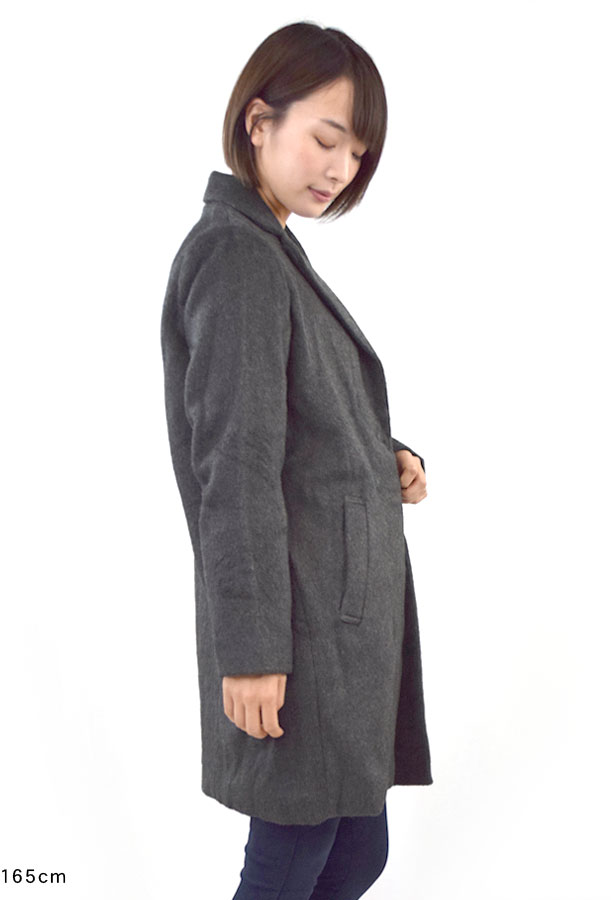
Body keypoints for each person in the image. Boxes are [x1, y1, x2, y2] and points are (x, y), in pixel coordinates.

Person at [160, 21, 433, 899]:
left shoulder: (270, 251)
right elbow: (234, 463)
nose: (340, 168)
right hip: (294, 628)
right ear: (258, 122)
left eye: (357, 153)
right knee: (291, 863)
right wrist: (248, 650)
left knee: (355, 853)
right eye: (326, 138)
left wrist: (384, 455)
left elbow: (293, 419)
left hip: (333, 625)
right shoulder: (236, 256)